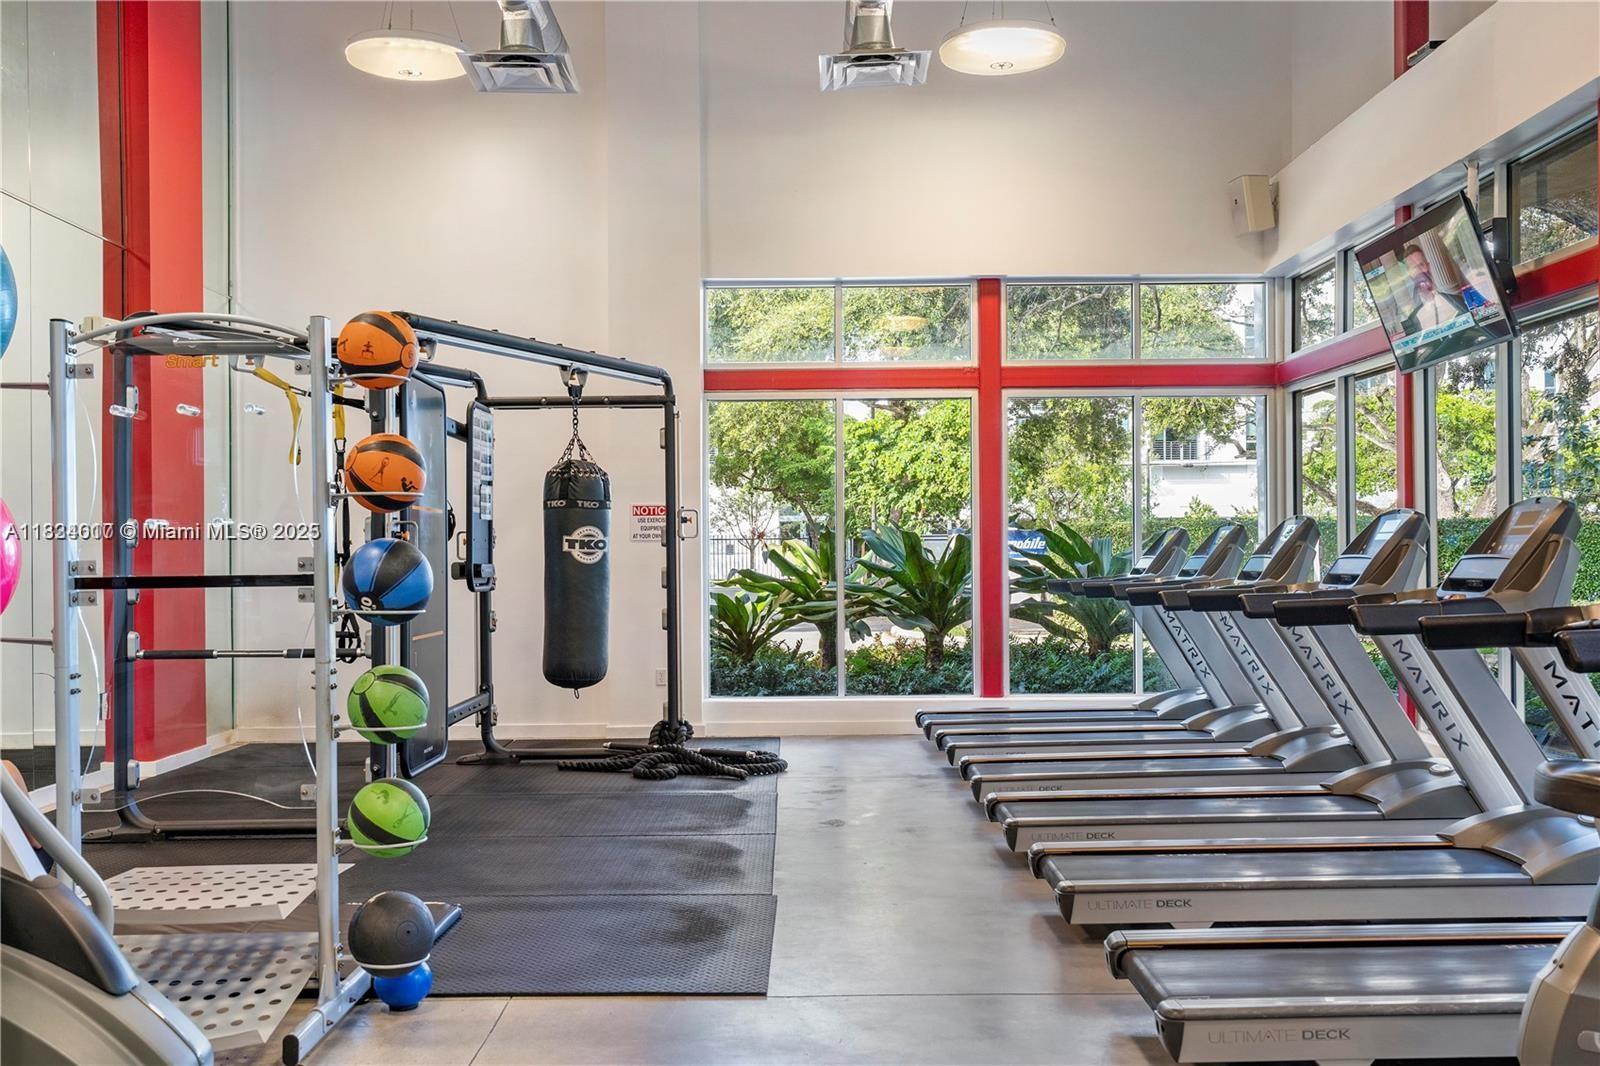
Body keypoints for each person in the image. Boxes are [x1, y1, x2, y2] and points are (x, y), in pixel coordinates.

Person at [1398, 245, 1468, 335]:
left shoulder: (1453, 296)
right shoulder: (1413, 315)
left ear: (1428, 266)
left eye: (1421, 265)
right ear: (1410, 274)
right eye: (1414, 268)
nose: (1419, 271)